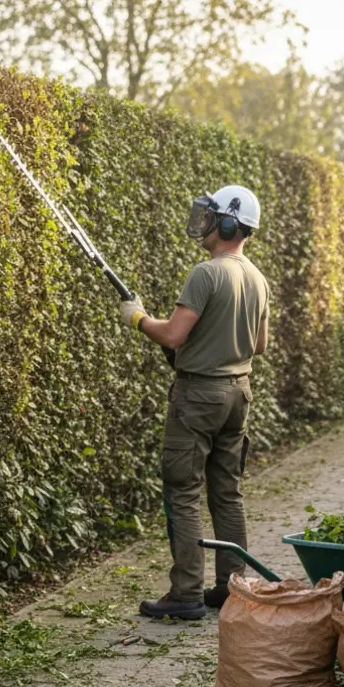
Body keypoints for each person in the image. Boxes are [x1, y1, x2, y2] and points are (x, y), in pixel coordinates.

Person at [119, 185, 270, 620]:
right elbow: (259, 345)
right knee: (227, 491)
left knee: (183, 492)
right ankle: (232, 587)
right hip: (239, 393)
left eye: (212, 217)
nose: (204, 223)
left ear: (229, 224)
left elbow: (172, 335)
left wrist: (138, 317)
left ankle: (185, 593)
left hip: (199, 396)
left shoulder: (206, 273)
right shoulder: (257, 278)